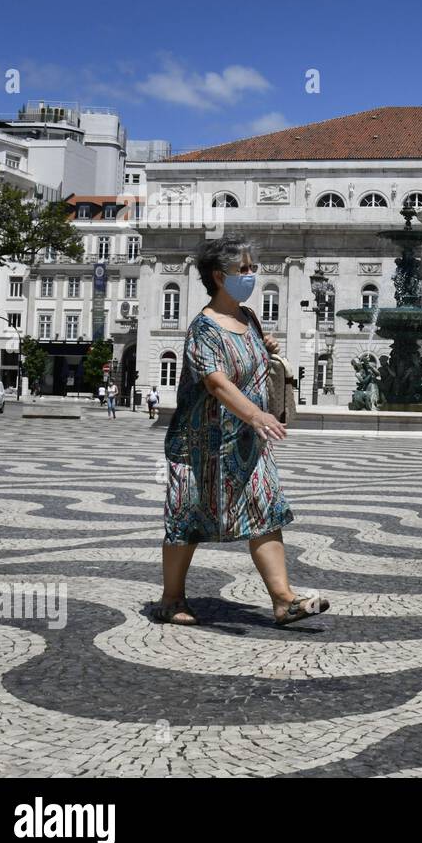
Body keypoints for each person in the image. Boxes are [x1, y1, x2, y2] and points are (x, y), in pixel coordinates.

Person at [154, 236, 329, 627]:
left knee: (265, 511)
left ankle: (284, 601)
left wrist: (265, 346)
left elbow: (251, 364)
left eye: (253, 268)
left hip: (247, 443)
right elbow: (216, 383)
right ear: (219, 276)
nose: (251, 275)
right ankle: (171, 599)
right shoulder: (203, 327)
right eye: (244, 270)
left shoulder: (248, 318)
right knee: (188, 518)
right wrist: (256, 415)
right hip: (200, 444)